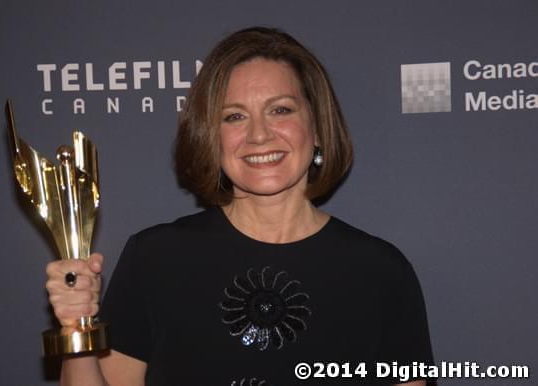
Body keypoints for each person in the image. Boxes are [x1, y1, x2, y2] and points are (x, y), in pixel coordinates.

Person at [46, 27, 434, 386]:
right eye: (234, 116)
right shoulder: (155, 258)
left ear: (316, 128)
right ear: (210, 137)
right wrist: (74, 328)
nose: (259, 135)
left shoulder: (381, 271)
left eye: (280, 109)